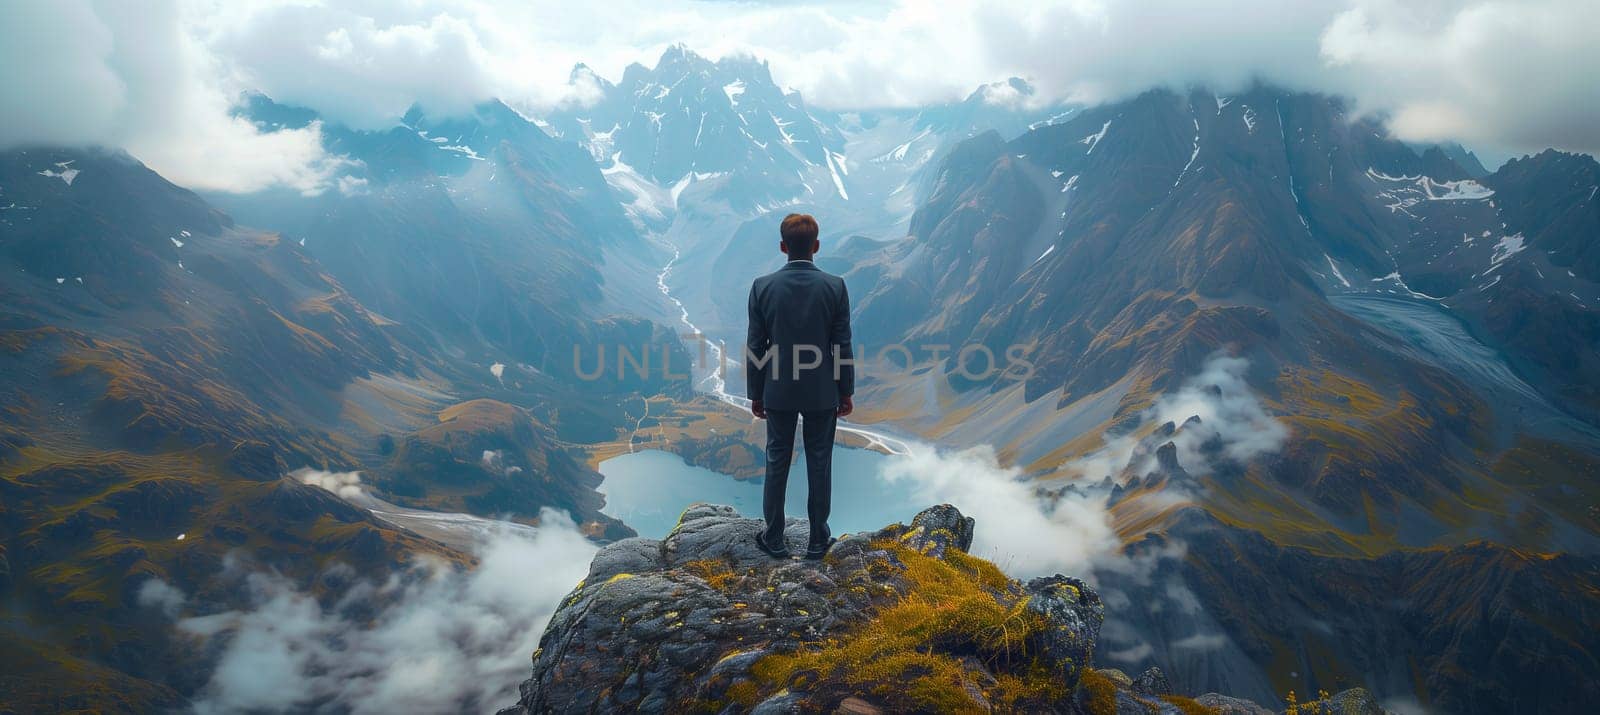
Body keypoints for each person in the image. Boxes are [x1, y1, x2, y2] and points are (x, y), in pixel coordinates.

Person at [745, 213, 854, 560]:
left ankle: (773, 538)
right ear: (817, 246)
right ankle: (818, 541)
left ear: (783, 247)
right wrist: (845, 390)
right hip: (823, 390)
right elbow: (841, 345)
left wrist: (756, 393)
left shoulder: (762, 287)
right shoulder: (835, 287)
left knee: (777, 460)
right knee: (819, 462)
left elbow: (755, 347)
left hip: (778, 390)